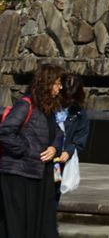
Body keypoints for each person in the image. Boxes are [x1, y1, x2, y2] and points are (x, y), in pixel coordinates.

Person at [0, 64, 64, 238]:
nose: (60, 88)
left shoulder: (48, 107)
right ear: (47, 83)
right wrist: (27, 150)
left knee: (42, 223)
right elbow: (5, 131)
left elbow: (58, 132)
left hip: (39, 174)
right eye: (57, 83)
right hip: (19, 174)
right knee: (19, 224)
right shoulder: (25, 105)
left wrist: (54, 147)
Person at [51, 73, 88, 203]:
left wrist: (69, 150)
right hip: (44, 157)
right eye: (66, 96)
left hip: (59, 161)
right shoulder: (49, 106)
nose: (68, 100)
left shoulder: (78, 113)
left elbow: (80, 137)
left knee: (54, 193)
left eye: (72, 97)